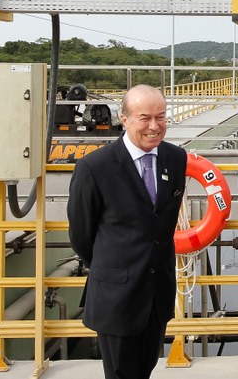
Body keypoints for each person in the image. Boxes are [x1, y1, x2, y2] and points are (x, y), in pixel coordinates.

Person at [67, 85, 187, 379]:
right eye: (144, 118)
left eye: (161, 117)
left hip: (157, 295)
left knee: (145, 369)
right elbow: (81, 235)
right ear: (124, 119)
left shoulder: (175, 159)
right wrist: (115, 268)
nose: (154, 126)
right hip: (116, 296)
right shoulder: (94, 167)